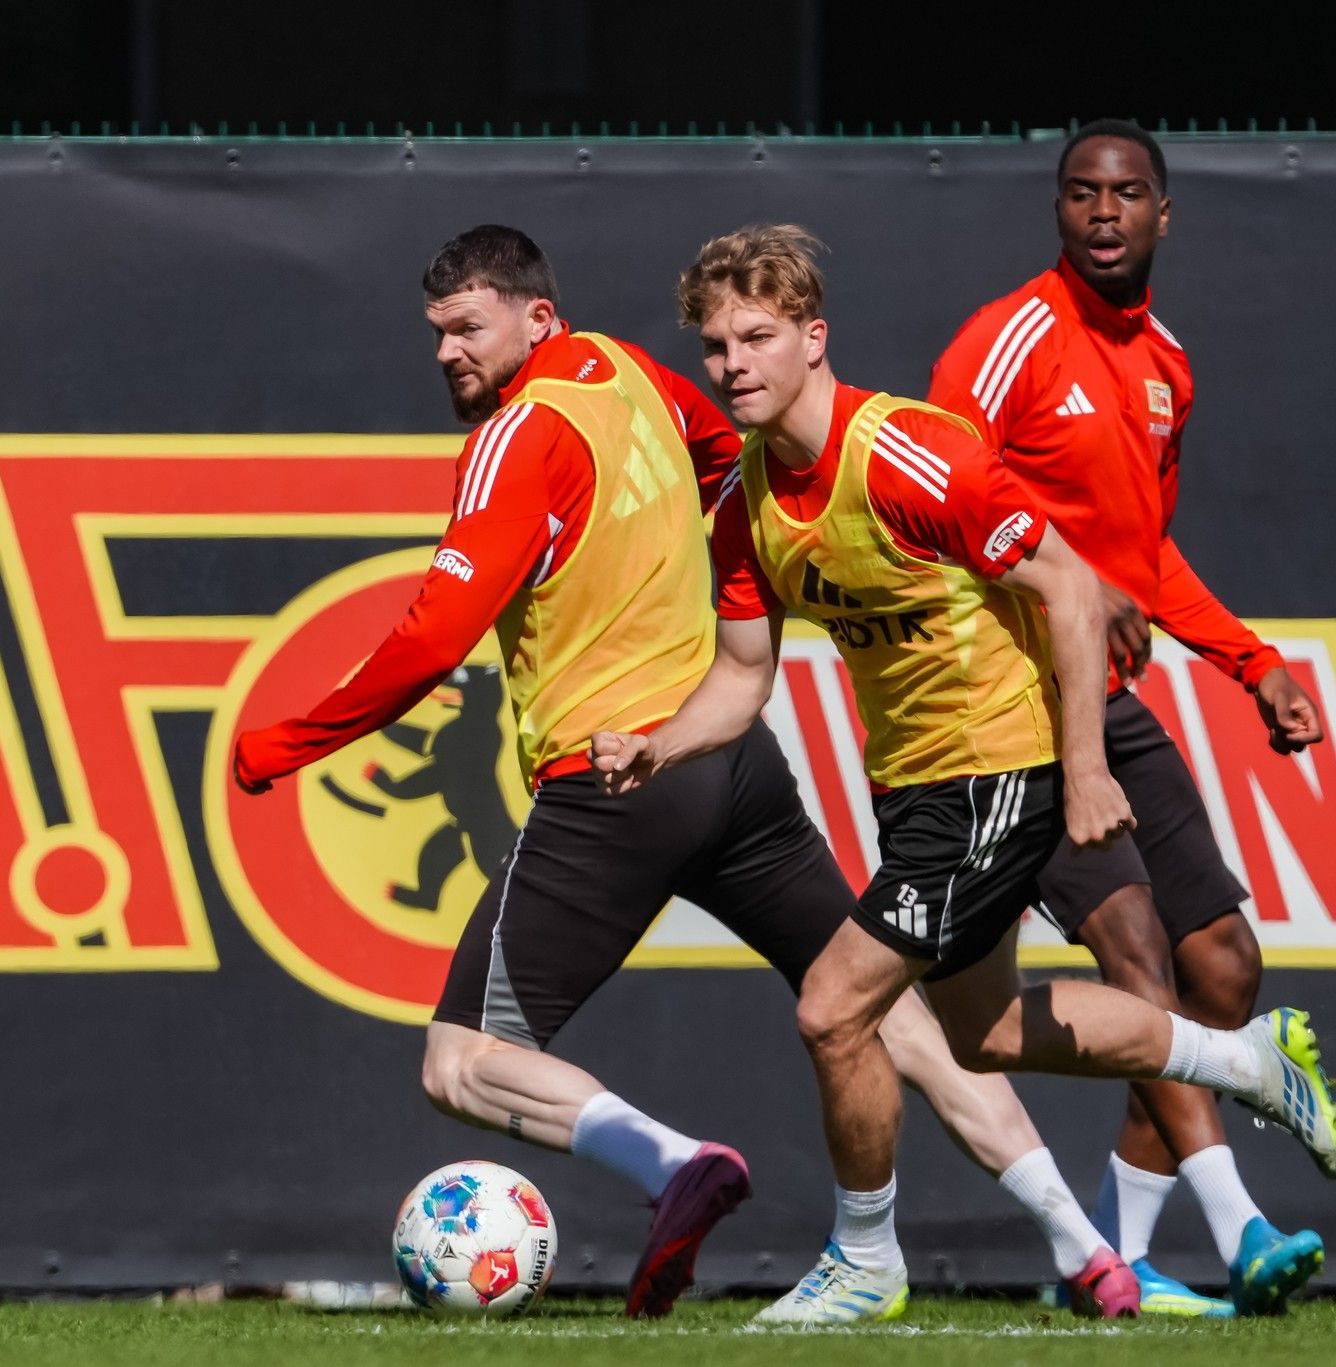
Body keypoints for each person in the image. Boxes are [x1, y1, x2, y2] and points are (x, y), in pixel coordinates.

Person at [235, 225, 1147, 1321]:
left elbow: (434, 636)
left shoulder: (518, 430)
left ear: (536, 318)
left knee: (459, 1060)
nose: (446, 353)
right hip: (731, 759)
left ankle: (674, 1164)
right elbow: (726, 458)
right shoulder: (625, 368)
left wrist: (280, 745)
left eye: (467, 328)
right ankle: (1088, 1247)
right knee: (884, 1012)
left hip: (617, 779)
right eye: (435, 333)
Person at [591, 223, 1336, 1324]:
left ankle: (863, 1257)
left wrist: (1084, 767)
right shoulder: (745, 502)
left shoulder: (907, 452)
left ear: (815, 337)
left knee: (831, 1008)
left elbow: (1072, 589)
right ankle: (1246, 1062)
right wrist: (654, 743)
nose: (733, 365)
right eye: (713, 347)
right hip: (912, 786)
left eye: (756, 337)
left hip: (998, 765)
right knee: (980, 1033)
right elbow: (745, 672)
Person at [926, 119, 1332, 1316]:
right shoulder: (1003, 343)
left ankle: (1113, 1253)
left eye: (1127, 193)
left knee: (1224, 968)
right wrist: (1054, 574)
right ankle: (1242, 1227)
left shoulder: (1165, 364)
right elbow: (927, 513)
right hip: (1008, 710)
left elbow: (1143, 557)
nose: (1102, 212)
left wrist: (1251, 665)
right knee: (1139, 959)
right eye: (1080, 193)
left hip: (1109, 705)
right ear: (1057, 211)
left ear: (1164, 214)